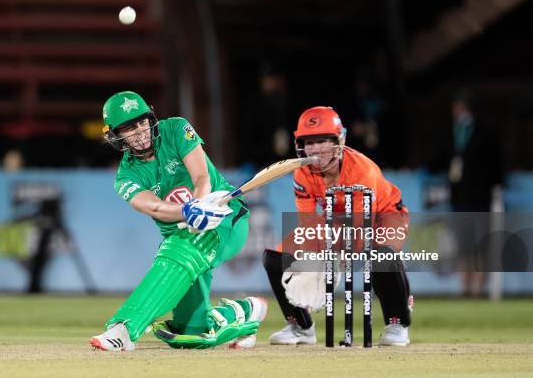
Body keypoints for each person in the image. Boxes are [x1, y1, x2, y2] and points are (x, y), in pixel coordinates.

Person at [90, 91, 267, 351]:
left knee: (177, 249)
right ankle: (245, 312)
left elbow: (201, 178)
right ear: (116, 136)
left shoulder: (176, 128)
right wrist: (188, 214)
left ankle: (124, 328)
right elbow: (153, 206)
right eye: (129, 127)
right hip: (184, 235)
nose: (139, 132)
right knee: (192, 330)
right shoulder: (125, 176)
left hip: (225, 219)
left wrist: (201, 206)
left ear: (150, 118)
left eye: (141, 122)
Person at [262, 106, 412, 346]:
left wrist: (335, 264)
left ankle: (397, 323)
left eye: (322, 141)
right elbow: (309, 225)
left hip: (384, 214)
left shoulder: (363, 170)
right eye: (308, 142)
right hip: (336, 219)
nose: (315, 149)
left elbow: (361, 234)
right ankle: (301, 327)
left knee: (381, 255)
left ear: (339, 140)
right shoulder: (302, 173)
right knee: (274, 258)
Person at [448, 93, 504, 296]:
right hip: (459, 198)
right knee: (463, 245)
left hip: (480, 197)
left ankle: (479, 287)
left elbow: (496, 162)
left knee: (481, 243)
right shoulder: (453, 132)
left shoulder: (485, 132)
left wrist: (497, 184)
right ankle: (466, 287)